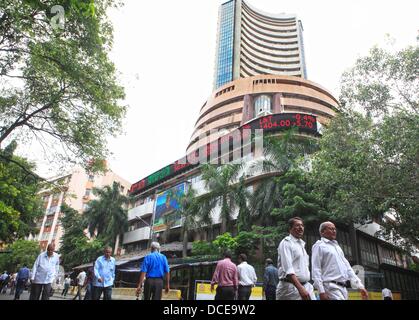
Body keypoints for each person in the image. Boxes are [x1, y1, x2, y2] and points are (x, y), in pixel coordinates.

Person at [312, 221, 369, 300]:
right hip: (330, 287)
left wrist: (360, 286)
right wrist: (321, 291)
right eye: (331, 229)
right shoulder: (319, 246)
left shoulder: (337, 247)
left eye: (334, 229)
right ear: (322, 232)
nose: (334, 231)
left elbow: (348, 268)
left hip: (343, 288)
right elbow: (316, 270)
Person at [276, 217, 316, 300]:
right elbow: (288, 270)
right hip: (291, 289)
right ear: (290, 228)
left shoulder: (301, 244)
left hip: (306, 286)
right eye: (297, 225)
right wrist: (300, 288)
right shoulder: (286, 243)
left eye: (302, 225)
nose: (301, 227)